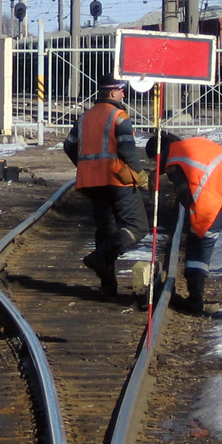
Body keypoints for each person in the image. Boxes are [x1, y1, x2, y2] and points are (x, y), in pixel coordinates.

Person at [146, 132, 222, 315]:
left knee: (200, 237)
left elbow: (184, 195)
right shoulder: (193, 143)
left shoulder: (173, 161)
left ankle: (195, 299)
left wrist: (194, 219)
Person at [64, 73, 149, 295]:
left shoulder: (84, 118)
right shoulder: (119, 117)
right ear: (113, 92)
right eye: (121, 89)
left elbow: (69, 146)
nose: (123, 93)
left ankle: (108, 285)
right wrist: (140, 174)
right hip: (116, 179)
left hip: (91, 182)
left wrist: (83, 165)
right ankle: (99, 257)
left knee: (106, 229)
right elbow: (127, 150)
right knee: (136, 226)